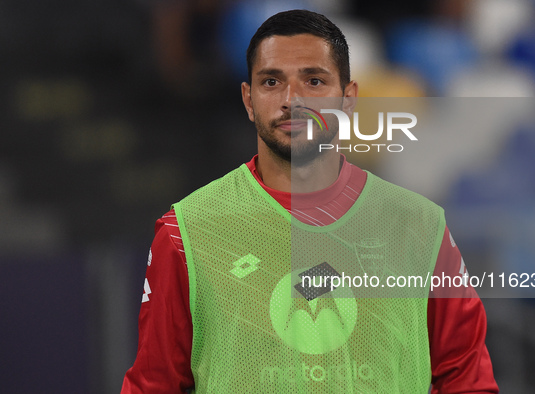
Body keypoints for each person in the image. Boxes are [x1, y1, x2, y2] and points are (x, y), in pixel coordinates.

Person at [121, 9, 499, 393]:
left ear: (348, 99)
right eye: (271, 82)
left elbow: (467, 379)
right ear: (249, 100)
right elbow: (154, 384)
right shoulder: (186, 231)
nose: (292, 100)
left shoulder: (419, 226)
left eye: (314, 81)